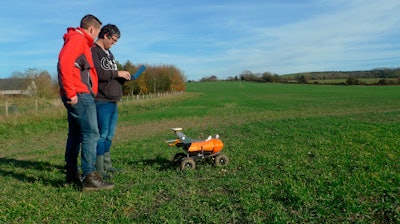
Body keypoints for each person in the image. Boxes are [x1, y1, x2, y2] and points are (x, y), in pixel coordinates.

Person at [57, 14, 114, 191]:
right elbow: (64, 64)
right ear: (91, 29)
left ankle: (72, 174)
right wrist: (70, 92)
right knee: (91, 134)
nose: (96, 36)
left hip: (79, 93)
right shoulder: (77, 40)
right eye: (96, 31)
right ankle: (89, 176)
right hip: (79, 94)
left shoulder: (77, 40)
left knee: (75, 134)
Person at [91, 24, 131, 179]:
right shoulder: (94, 51)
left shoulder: (108, 53)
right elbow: (98, 73)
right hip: (101, 100)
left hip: (113, 100)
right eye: (113, 40)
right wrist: (117, 72)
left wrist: (122, 77)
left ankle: (107, 165)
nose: (114, 43)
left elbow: (111, 74)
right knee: (101, 135)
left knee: (109, 135)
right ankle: (98, 169)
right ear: (106, 35)